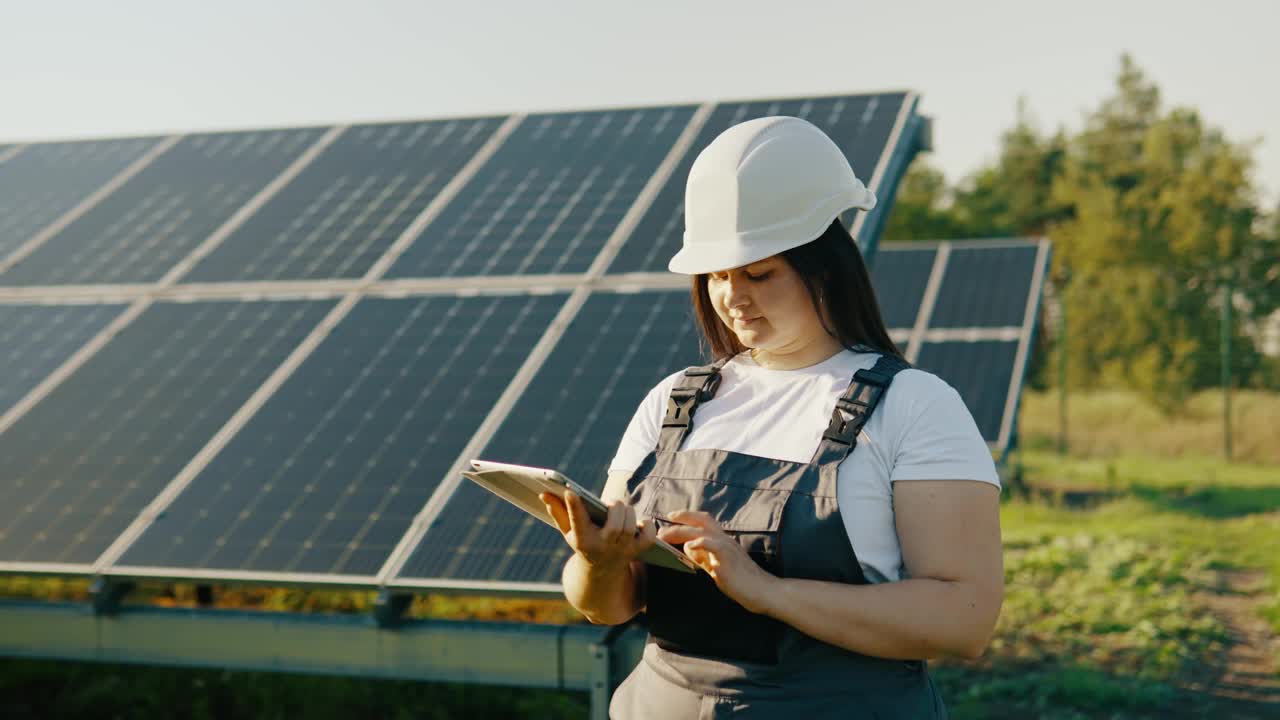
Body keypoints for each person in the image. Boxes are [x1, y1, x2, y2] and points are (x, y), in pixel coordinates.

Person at [539, 116, 1003, 718]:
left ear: (826, 269)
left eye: (759, 273)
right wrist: (597, 563)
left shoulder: (915, 405)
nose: (733, 297)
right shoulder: (677, 400)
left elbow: (962, 620)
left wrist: (766, 592)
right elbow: (607, 605)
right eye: (718, 276)